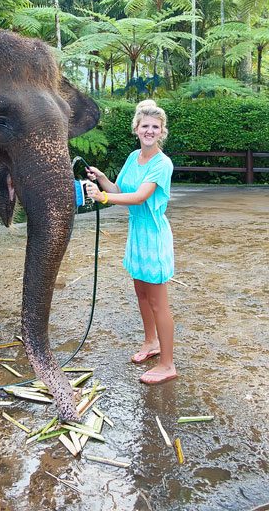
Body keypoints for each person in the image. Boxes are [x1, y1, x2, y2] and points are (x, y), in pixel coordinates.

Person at [85, 99, 177, 385]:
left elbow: (139, 197)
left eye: (155, 127)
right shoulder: (133, 157)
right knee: (141, 295)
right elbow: (120, 191)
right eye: (145, 126)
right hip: (136, 234)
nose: (149, 131)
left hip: (154, 236)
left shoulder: (163, 164)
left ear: (162, 132)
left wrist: (102, 197)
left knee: (159, 303)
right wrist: (102, 180)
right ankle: (151, 342)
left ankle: (168, 363)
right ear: (136, 129)